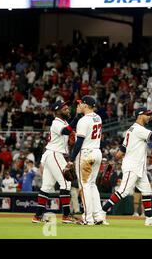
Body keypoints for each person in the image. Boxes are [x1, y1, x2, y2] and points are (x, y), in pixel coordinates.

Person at [100, 107, 152, 226]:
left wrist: (113, 160)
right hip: (132, 166)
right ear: (139, 116)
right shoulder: (138, 129)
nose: (149, 116)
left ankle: (149, 218)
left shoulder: (130, 130)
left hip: (139, 167)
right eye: (147, 115)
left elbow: (122, 150)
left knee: (146, 191)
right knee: (123, 191)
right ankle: (101, 212)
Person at [32, 100, 81, 224]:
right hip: (55, 153)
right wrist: (78, 116)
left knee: (47, 186)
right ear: (57, 111)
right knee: (66, 183)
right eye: (64, 108)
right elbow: (65, 131)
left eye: (67, 108)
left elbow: (67, 132)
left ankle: (37, 216)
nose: (67, 109)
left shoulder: (63, 122)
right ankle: (66, 216)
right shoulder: (56, 122)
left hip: (52, 154)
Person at [68, 96, 105, 225]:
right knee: (92, 184)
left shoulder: (83, 121)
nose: (79, 105)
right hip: (97, 152)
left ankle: (87, 218)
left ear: (86, 105)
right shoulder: (98, 117)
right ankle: (98, 215)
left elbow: (79, 143)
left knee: (84, 187)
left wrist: (71, 160)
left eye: (81, 103)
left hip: (86, 154)